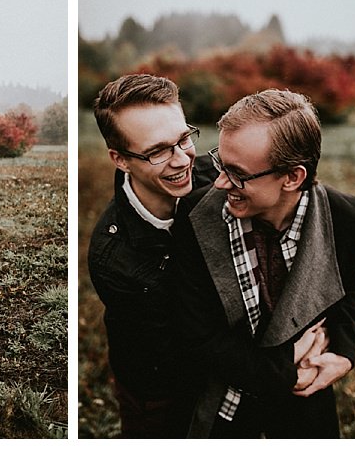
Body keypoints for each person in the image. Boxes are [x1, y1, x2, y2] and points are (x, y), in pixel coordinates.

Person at [171, 89, 355, 438]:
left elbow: (347, 292)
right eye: (221, 162)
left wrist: (343, 355)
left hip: (306, 410)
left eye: (238, 174)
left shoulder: (347, 217)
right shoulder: (196, 217)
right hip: (224, 411)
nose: (219, 182)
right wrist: (283, 371)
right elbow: (198, 336)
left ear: (293, 177)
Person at [86, 74, 218, 438]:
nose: (182, 160)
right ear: (120, 159)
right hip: (158, 391)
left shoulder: (217, 177)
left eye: (184, 139)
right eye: (158, 151)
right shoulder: (115, 259)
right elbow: (185, 347)